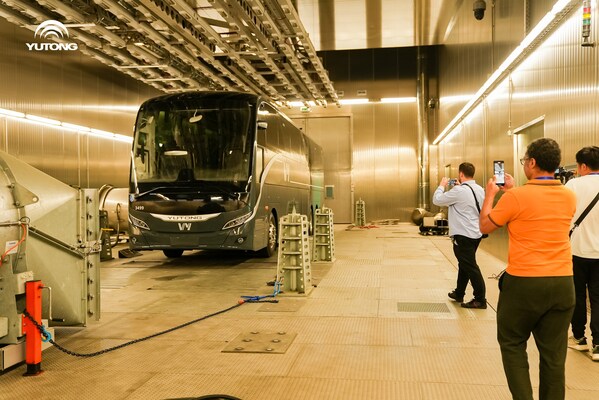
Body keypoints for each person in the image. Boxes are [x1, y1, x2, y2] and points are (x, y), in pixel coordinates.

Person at [480, 138, 576, 400]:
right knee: (554, 356)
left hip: (524, 283)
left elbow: (486, 226)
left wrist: (491, 195)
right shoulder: (569, 196)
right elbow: (538, 207)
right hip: (563, 283)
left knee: (512, 344)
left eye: (525, 161)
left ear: (532, 162)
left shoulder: (515, 197)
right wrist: (514, 191)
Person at [433, 162, 487, 309]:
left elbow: (437, 200)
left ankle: (480, 299)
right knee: (464, 264)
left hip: (463, 235)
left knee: (470, 266)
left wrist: (442, 185)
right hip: (476, 234)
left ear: (461, 174)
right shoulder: (480, 190)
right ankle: (459, 292)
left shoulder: (459, 191)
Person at [565, 146, 599, 361]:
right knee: (598, 298)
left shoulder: (572, 185)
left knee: (576, 295)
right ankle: (598, 344)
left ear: (583, 166)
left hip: (576, 250)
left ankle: (579, 338)